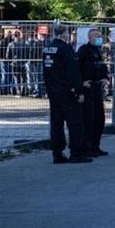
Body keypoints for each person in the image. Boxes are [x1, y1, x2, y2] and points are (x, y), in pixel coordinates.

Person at [42, 25, 91, 164]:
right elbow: (72, 72)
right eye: (67, 33)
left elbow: (46, 71)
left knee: (56, 123)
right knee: (75, 122)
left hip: (53, 89)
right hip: (66, 90)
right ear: (64, 34)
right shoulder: (65, 48)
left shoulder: (48, 48)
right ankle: (76, 153)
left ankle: (57, 153)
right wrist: (79, 90)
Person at [77, 29, 110, 157]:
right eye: (97, 36)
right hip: (88, 89)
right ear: (90, 37)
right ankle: (87, 147)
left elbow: (102, 67)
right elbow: (77, 68)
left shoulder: (98, 51)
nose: (100, 38)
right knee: (88, 119)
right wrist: (81, 83)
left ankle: (96, 146)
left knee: (99, 119)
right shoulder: (83, 50)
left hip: (97, 89)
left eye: (100, 36)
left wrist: (105, 78)